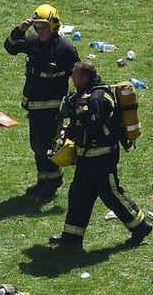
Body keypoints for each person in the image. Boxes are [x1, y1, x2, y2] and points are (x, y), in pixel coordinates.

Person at [49, 61, 152, 248]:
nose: (72, 77)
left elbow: (93, 123)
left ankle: (140, 226)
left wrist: (78, 109)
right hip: (86, 157)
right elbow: (79, 126)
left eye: (75, 74)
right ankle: (72, 238)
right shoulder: (83, 93)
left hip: (102, 157)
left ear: (85, 78)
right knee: (78, 196)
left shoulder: (100, 97)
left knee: (111, 194)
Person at [4, 4, 79, 200]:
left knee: (43, 145)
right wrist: (20, 30)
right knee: (35, 145)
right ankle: (43, 180)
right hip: (35, 106)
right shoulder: (33, 41)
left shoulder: (65, 49)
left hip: (52, 108)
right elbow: (10, 47)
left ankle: (53, 181)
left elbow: (79, 77)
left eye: (43, 27)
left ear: (53, 26)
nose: (39, 31)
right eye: (36, 27)